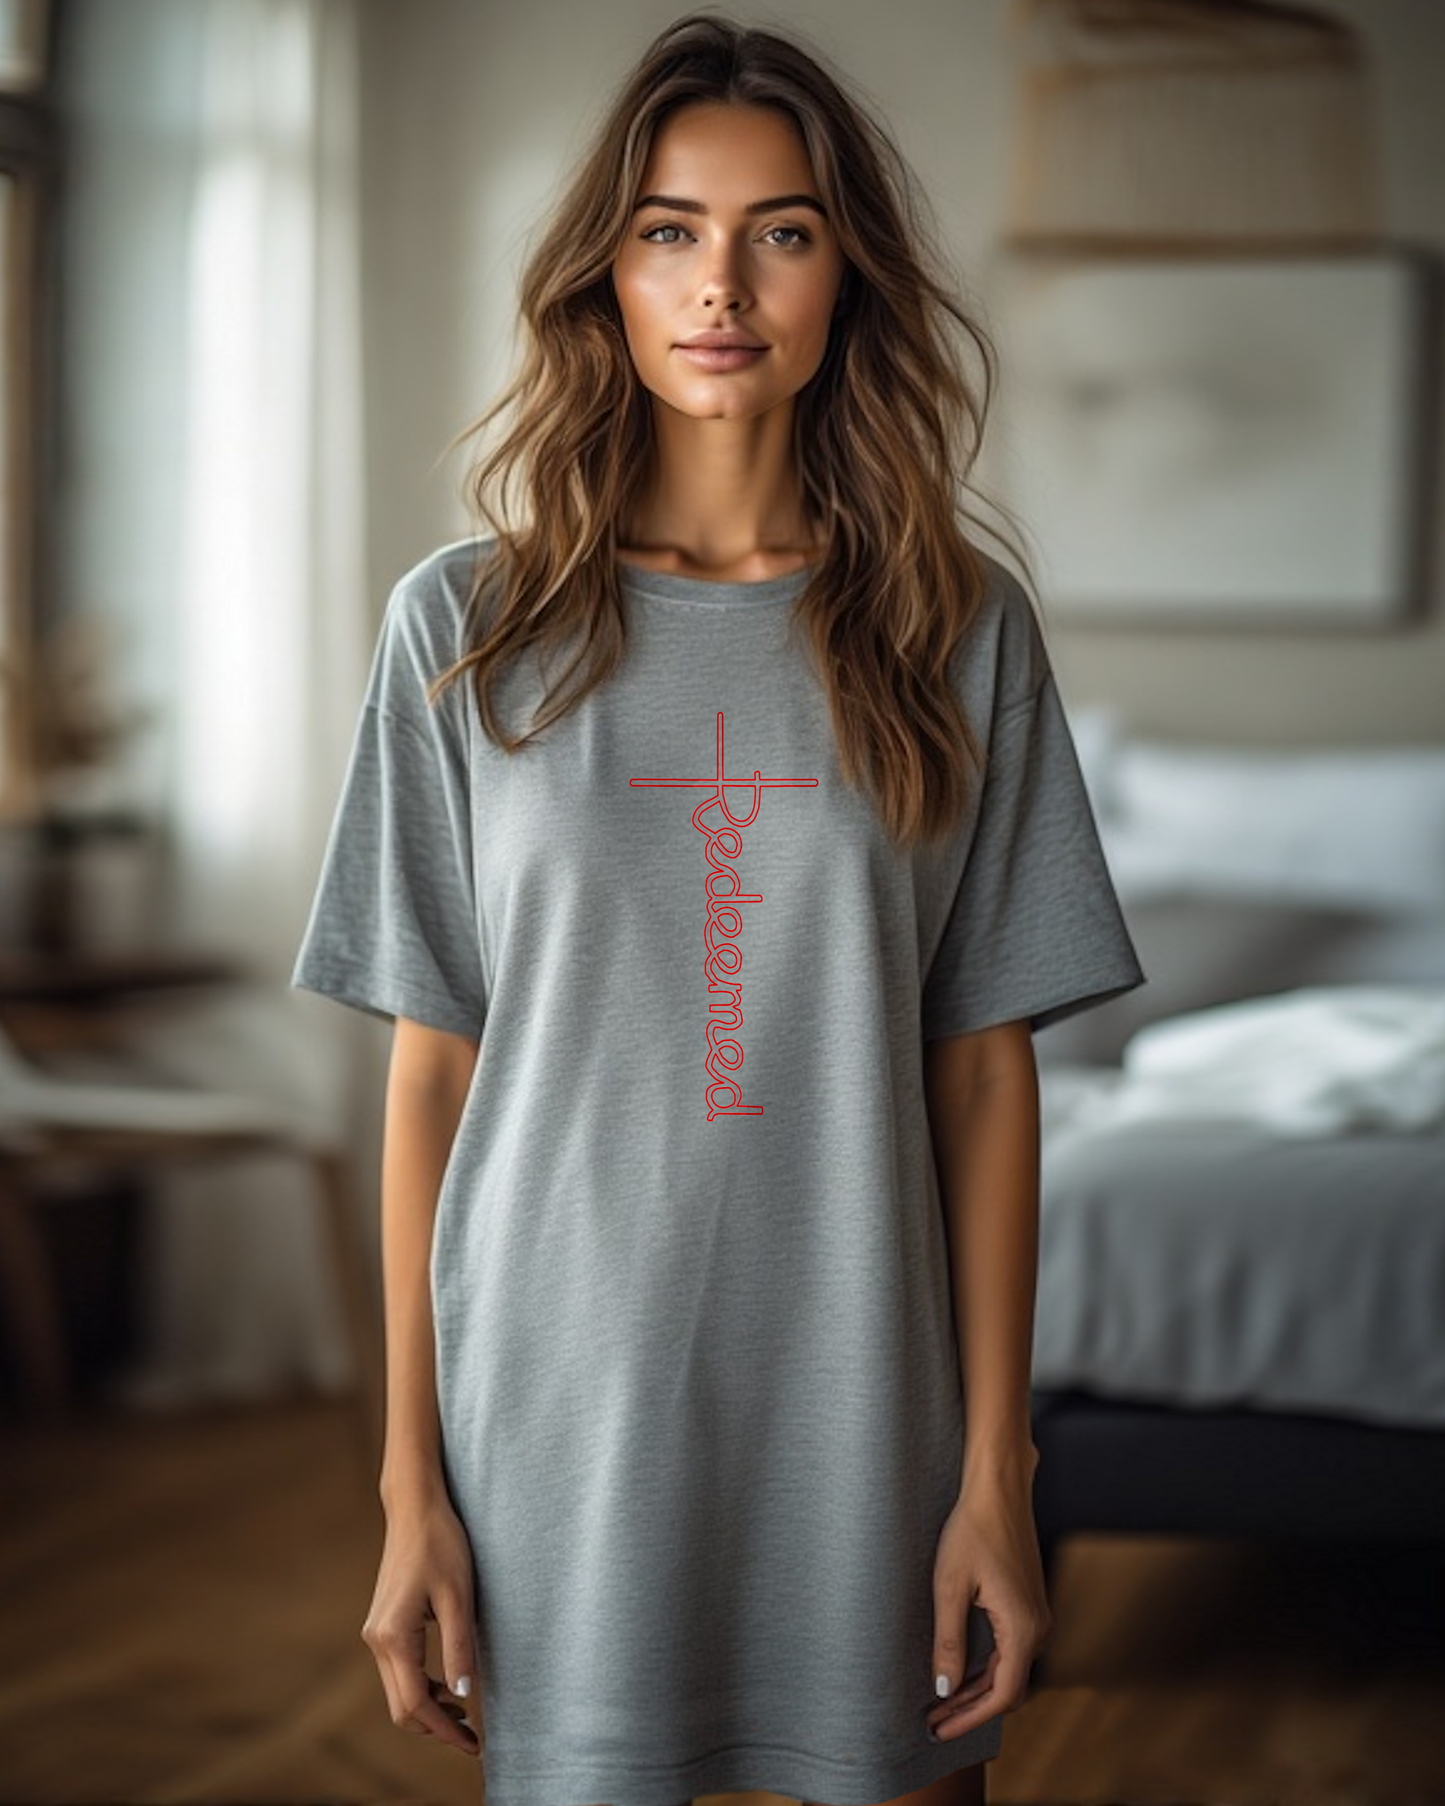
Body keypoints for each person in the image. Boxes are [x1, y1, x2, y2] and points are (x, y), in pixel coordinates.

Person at [291, 12, 1144, 1806]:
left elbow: (983, 1078)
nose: (723, 282)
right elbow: (429, 1079)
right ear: (604, 271)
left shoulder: (955, 628)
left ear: (852, 274)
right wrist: (407, 1491)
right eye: (671, 228)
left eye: (786, 228)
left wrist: (999, 1478)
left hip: (870, 1429)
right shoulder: (463, 630)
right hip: (559, 1421)